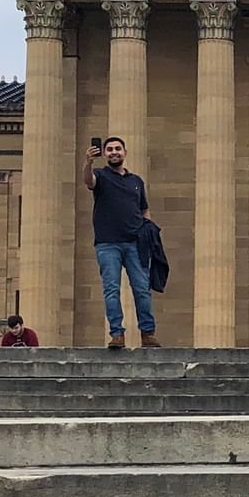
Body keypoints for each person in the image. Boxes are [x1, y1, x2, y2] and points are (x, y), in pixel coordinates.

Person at [85, 136, 157, 349]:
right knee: (111, 289)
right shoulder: (101, 176)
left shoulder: (136, 181)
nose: (114, 152)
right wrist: (88, 162)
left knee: (142, 288)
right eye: (109, 149)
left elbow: (144, 208)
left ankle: (148, 333)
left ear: (125, 153)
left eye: (117, 148)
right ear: (105, 154)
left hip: (135, 242)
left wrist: (148, 230)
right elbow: (88, 181)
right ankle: (117, 334)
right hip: (108, 243)